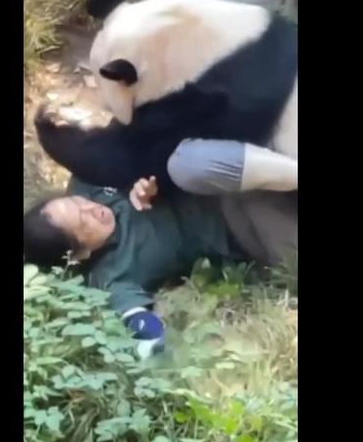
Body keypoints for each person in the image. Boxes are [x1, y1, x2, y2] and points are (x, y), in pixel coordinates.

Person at [24, 138, 297, 358]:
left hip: (217, 172)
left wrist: (145, 176)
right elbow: (141, 326)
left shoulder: (87, 179)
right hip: (243, 227)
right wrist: (153, 347)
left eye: (78, 203)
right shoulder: (111, 278)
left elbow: (139, 133)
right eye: (83, 222)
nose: (92, 209)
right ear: (80, 254)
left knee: (188, 162)